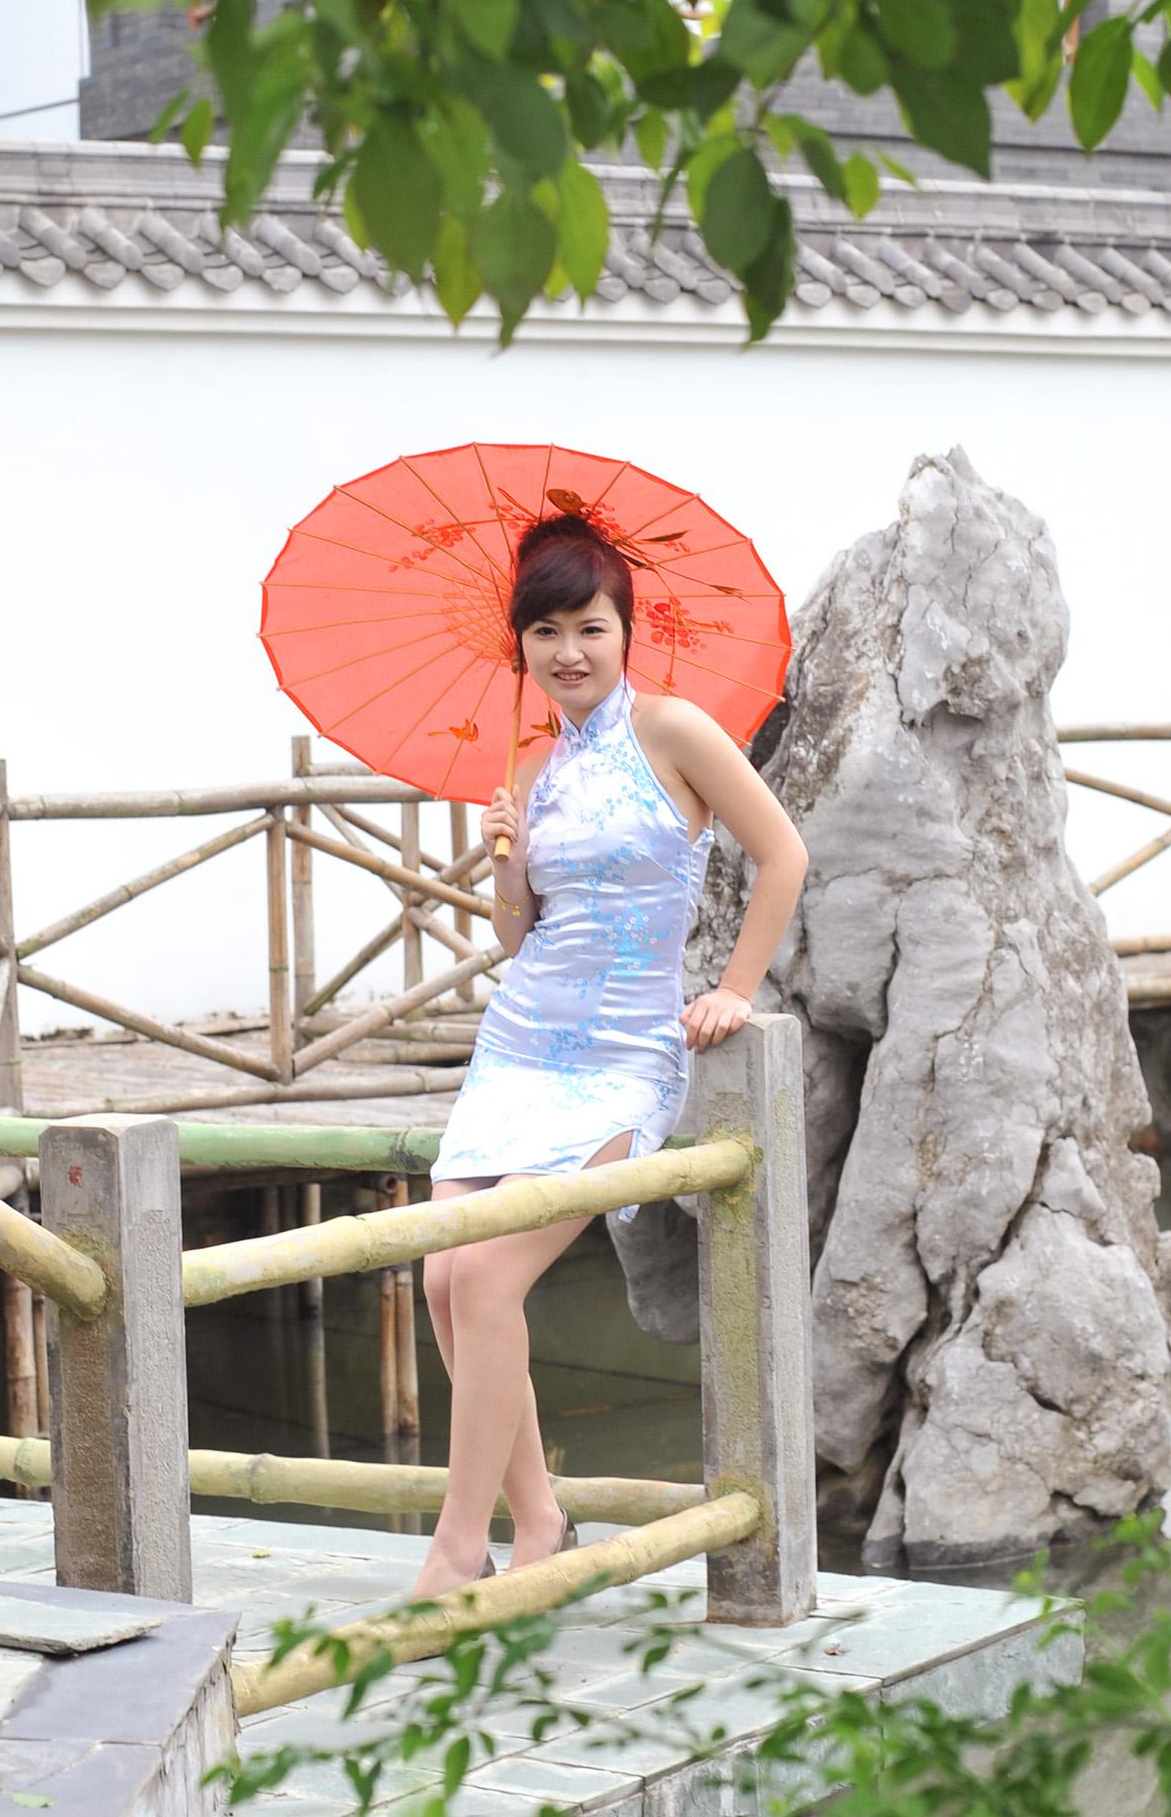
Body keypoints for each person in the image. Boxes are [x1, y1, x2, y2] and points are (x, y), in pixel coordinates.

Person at [411, 511, 808, 1601]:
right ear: (521, 644)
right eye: (544, 631)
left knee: (489, 1271)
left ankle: (457, 1546)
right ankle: (539, 1515)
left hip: (626, 1051)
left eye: (590, 626)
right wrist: (506, 864)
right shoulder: (532, 767)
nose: (569, 651)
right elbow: (518, 940)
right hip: (519, 1042)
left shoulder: (673, 731)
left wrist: (733, 989)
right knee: (442, 1275)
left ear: (627, 631)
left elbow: (783, 853)